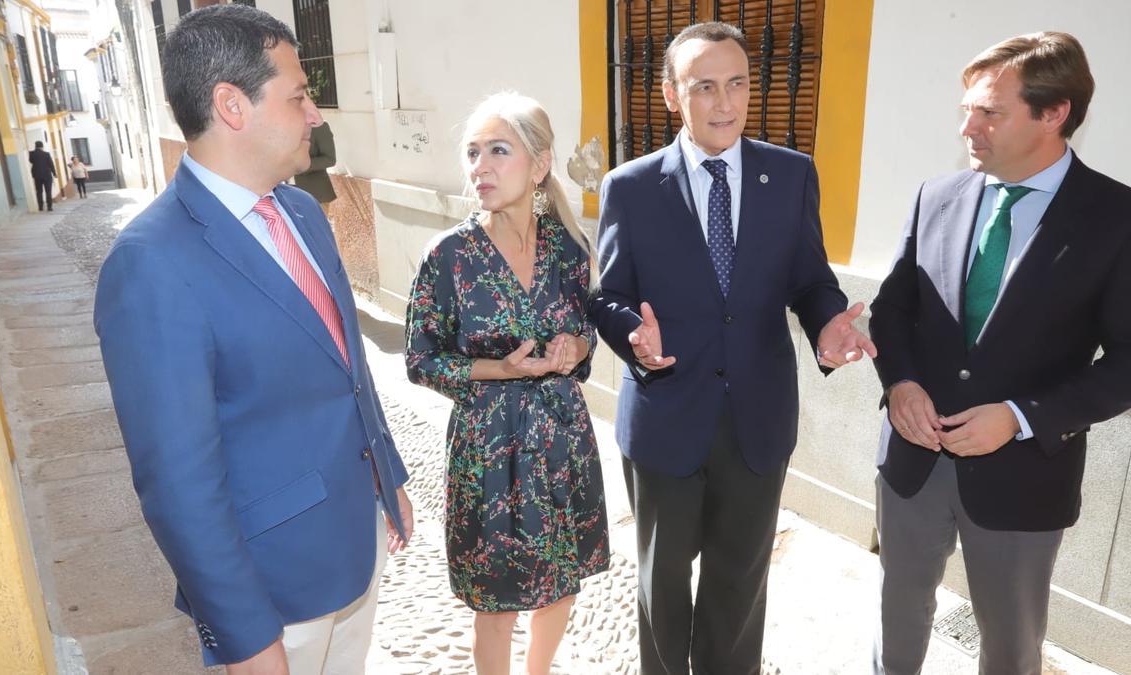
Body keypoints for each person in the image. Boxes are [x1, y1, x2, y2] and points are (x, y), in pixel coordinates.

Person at [92, 6, 413, 673]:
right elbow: (177, 483)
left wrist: (388, 474)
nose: (316, 114)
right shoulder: (151, 263)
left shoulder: (300, 209)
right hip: (276, 593)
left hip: (354, 545)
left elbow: (346, 361)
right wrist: (245, 636)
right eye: (298, 96)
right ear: (231, 106)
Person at [587, 22, 876, 674]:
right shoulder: (629, 188)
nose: (725, 103)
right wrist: (632, 335)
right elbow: (606, 296)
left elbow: (810, 278)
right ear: (670, 94)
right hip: (665, 417)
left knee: (739, 586)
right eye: (705, 86)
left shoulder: (792, 175)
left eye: (739, 83)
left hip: (758, 418)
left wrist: (829, 323)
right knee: (661, 587)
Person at [869, 31, 1131, 675]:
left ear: (1053, 113)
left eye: (989, 111)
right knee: (897, 616)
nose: (969, 126)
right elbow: (892, 310)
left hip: (1024, 479)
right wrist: (900, 383)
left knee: (1012, 646)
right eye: (967, 109)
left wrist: (1018, 416)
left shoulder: (1115, 217)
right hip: (911, 465)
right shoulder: (938, 196)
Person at [405, 92, 609, 675]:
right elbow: (420, 359)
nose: (481, 167)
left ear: (539, 164)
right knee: (495, 604)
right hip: (489, 450)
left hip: (561, 439)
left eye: (498, 150)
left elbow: (585, 340)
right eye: (472, 153)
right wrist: (501, 369)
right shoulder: (448, 256)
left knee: (561, 582)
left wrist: (576, 347)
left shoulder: (570, 249)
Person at [293, 120, 337, 208]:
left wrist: (302, 165)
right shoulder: (281, 126)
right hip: (281, 192)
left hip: (314, 192)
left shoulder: (318, 127)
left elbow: (330, 159)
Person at [28, 141, 56, 211]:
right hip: (47, 175)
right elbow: (51, 164)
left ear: (35, 146)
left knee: (39, 191)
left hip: (37, 175)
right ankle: (49, 207)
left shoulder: (31, 154)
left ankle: (40, 206)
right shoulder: (46, 154)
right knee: (48, 191)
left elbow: (31, 161)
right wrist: (54, 173)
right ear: (42, 146)